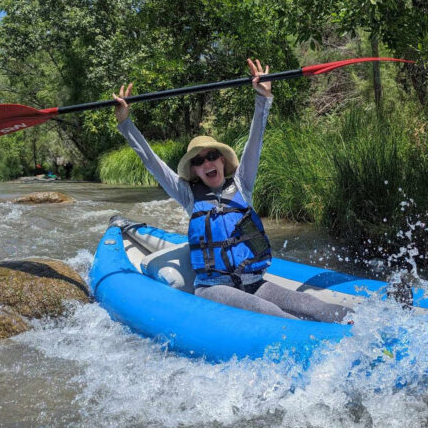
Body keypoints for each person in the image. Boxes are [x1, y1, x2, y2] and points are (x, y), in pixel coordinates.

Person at [113, 59, 353, 323]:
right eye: (199, 161)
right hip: (213, 288)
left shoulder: (242, 184)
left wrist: (263, 98)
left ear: (221, 160)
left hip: (253, 281)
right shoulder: (187, 194)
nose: (207, 163)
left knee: (314, 305)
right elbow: (151, 161)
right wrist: (125, 123)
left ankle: (366, 323)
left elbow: (255, 141)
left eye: (211, 156)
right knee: (273, 313)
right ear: (194, 171)